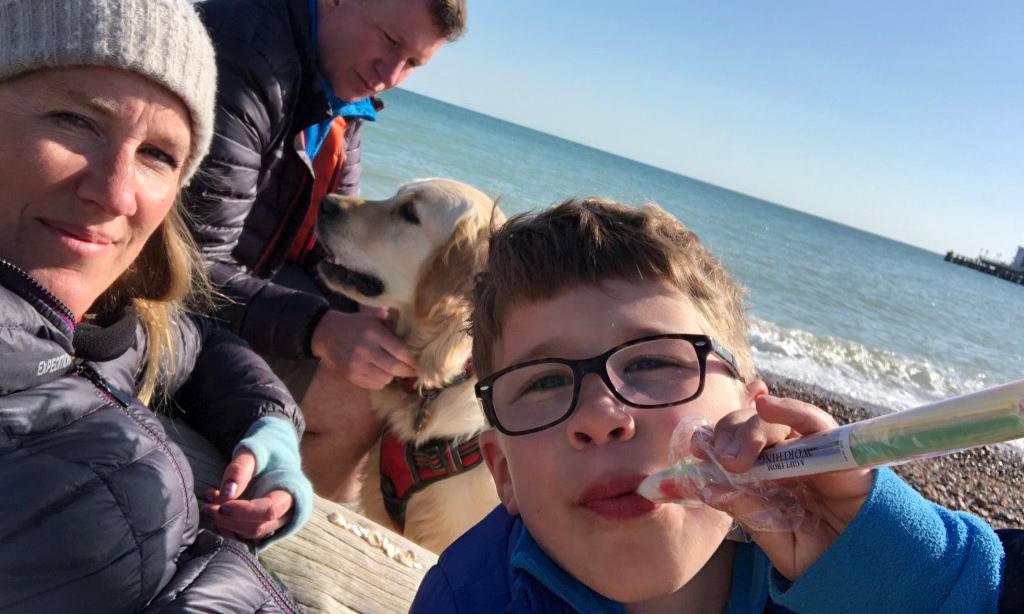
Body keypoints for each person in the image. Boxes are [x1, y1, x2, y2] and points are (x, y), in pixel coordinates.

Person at [410, 198, 1021, 613]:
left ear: (760, 412)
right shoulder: (469, 597)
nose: (600, 416)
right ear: (501, 472)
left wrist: (881, 566)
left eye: (652, 361)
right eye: (542, 383)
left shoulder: (864, 558)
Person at [0, 0, 313, 612]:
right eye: (74, 121)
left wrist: (268, 427)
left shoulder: (78, 320)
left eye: (158, 155)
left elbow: (182, 341)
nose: (115, 192)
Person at [185, 0, 468, 501]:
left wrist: (390, 331)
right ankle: (286, 543)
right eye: (389, 40)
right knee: (356, 404)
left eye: (412, 62)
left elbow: (329, 247)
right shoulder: (244, 60)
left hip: (236, 292)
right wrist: (320, 332)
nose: (390, 75)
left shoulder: (340, 90)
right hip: (158, 305)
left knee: (378, 365)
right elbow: (185, 268)